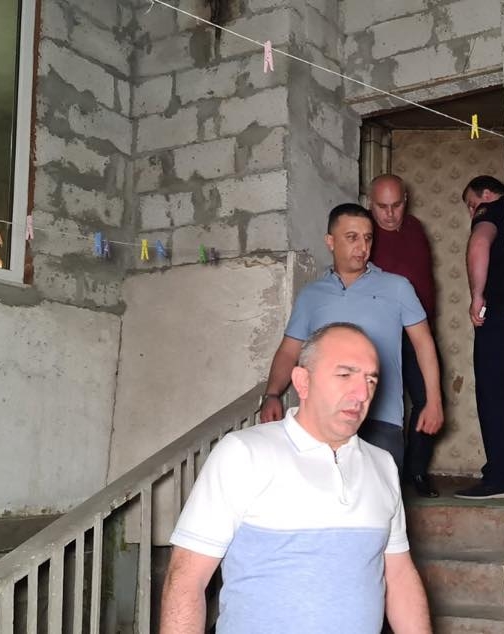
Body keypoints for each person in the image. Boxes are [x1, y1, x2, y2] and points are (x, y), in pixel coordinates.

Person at [160, 323, 432, 633]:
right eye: (345, 375)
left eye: (370, 379)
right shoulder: (244, 453)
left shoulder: (382, 465)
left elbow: (399, 576)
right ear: (302, 382)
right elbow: (186, 580)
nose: (362, 394)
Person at [259, 203, 444, 472]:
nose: (362, 247)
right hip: (322, 421)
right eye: (352, 237)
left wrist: (433, 401)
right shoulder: (311, 295)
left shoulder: (397, 287)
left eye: (367, 238)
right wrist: (272, 394)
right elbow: (289, 350)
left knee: (381, 496)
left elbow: (424, 345)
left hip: (381, 421)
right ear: (330, 242)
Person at [368, 174, 441, 498]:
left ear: (406, 200)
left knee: (429, 399)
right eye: (381, 206)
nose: (389, 214)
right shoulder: (364, 235)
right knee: (379, 403)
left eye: (396, 205)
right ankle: (382, 478)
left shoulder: (415, 228)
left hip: (418, 332)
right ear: (370, 204)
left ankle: (416, 471)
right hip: (379, 333)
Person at [455, 175, 504, 500]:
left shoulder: (491, 210)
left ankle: (499, 478)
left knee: (492, 393)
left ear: (488, 194)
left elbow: (479, 242)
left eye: (471, 204)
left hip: (499, 313)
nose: (472, 212)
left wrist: (477, 295)